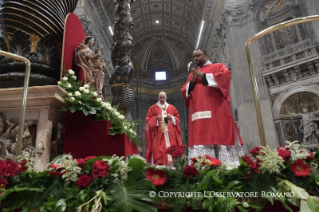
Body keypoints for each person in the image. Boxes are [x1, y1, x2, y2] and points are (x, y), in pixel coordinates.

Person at [181, 48, 244, 166]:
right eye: (194, 56)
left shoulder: (218, 67)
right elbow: (185, 91)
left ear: (206, 54)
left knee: (219, 136)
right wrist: (193, 82)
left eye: (198, 55)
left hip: (216, 111)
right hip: (198, 115)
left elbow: (225, 78)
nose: (196, 58)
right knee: (201, 141)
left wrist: (204, 76)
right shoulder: (191, 76)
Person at [145, 92, 182, 165]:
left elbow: (177, 119)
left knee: (172, 149)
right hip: (158, 134)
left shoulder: (171, 107)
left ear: (166, 98)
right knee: (157, 149)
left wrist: (172, 117)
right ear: (158, 98)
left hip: (170, 134)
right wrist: (156, 119)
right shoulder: (153, 108)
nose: (162, 99)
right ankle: (160, 165)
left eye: (163, 97)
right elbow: (148, 119)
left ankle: (172, 166)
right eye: (160, 97)